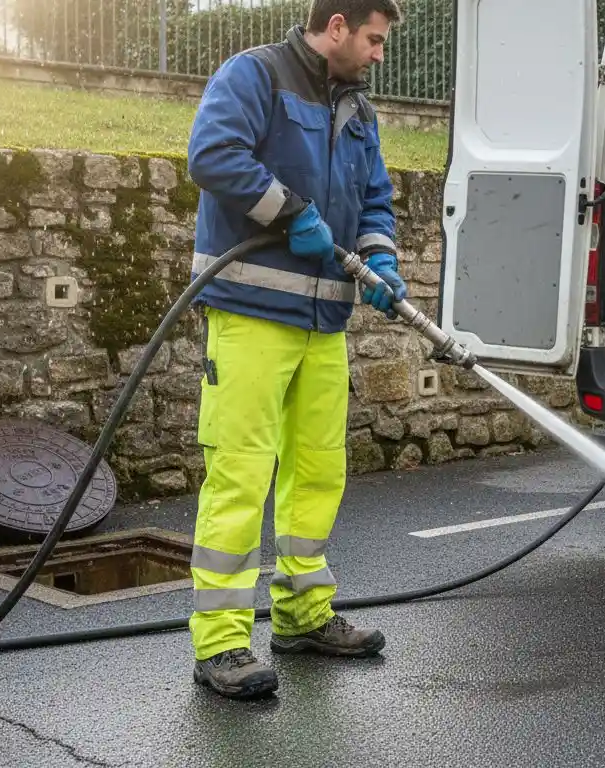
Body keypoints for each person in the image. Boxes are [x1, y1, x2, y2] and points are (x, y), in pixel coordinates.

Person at [182, 0, 408, 700]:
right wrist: (291, 214)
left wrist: (379, 257)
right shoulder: (255, 75)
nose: (378, 55)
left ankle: (303, 615)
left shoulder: (359, 111)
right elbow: (213, 155)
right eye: (373, 39)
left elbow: (375, 198)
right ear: (336, 26)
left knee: (317, 470)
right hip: (252, 313)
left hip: (324, 322)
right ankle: (221, 642)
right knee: (241, 474)